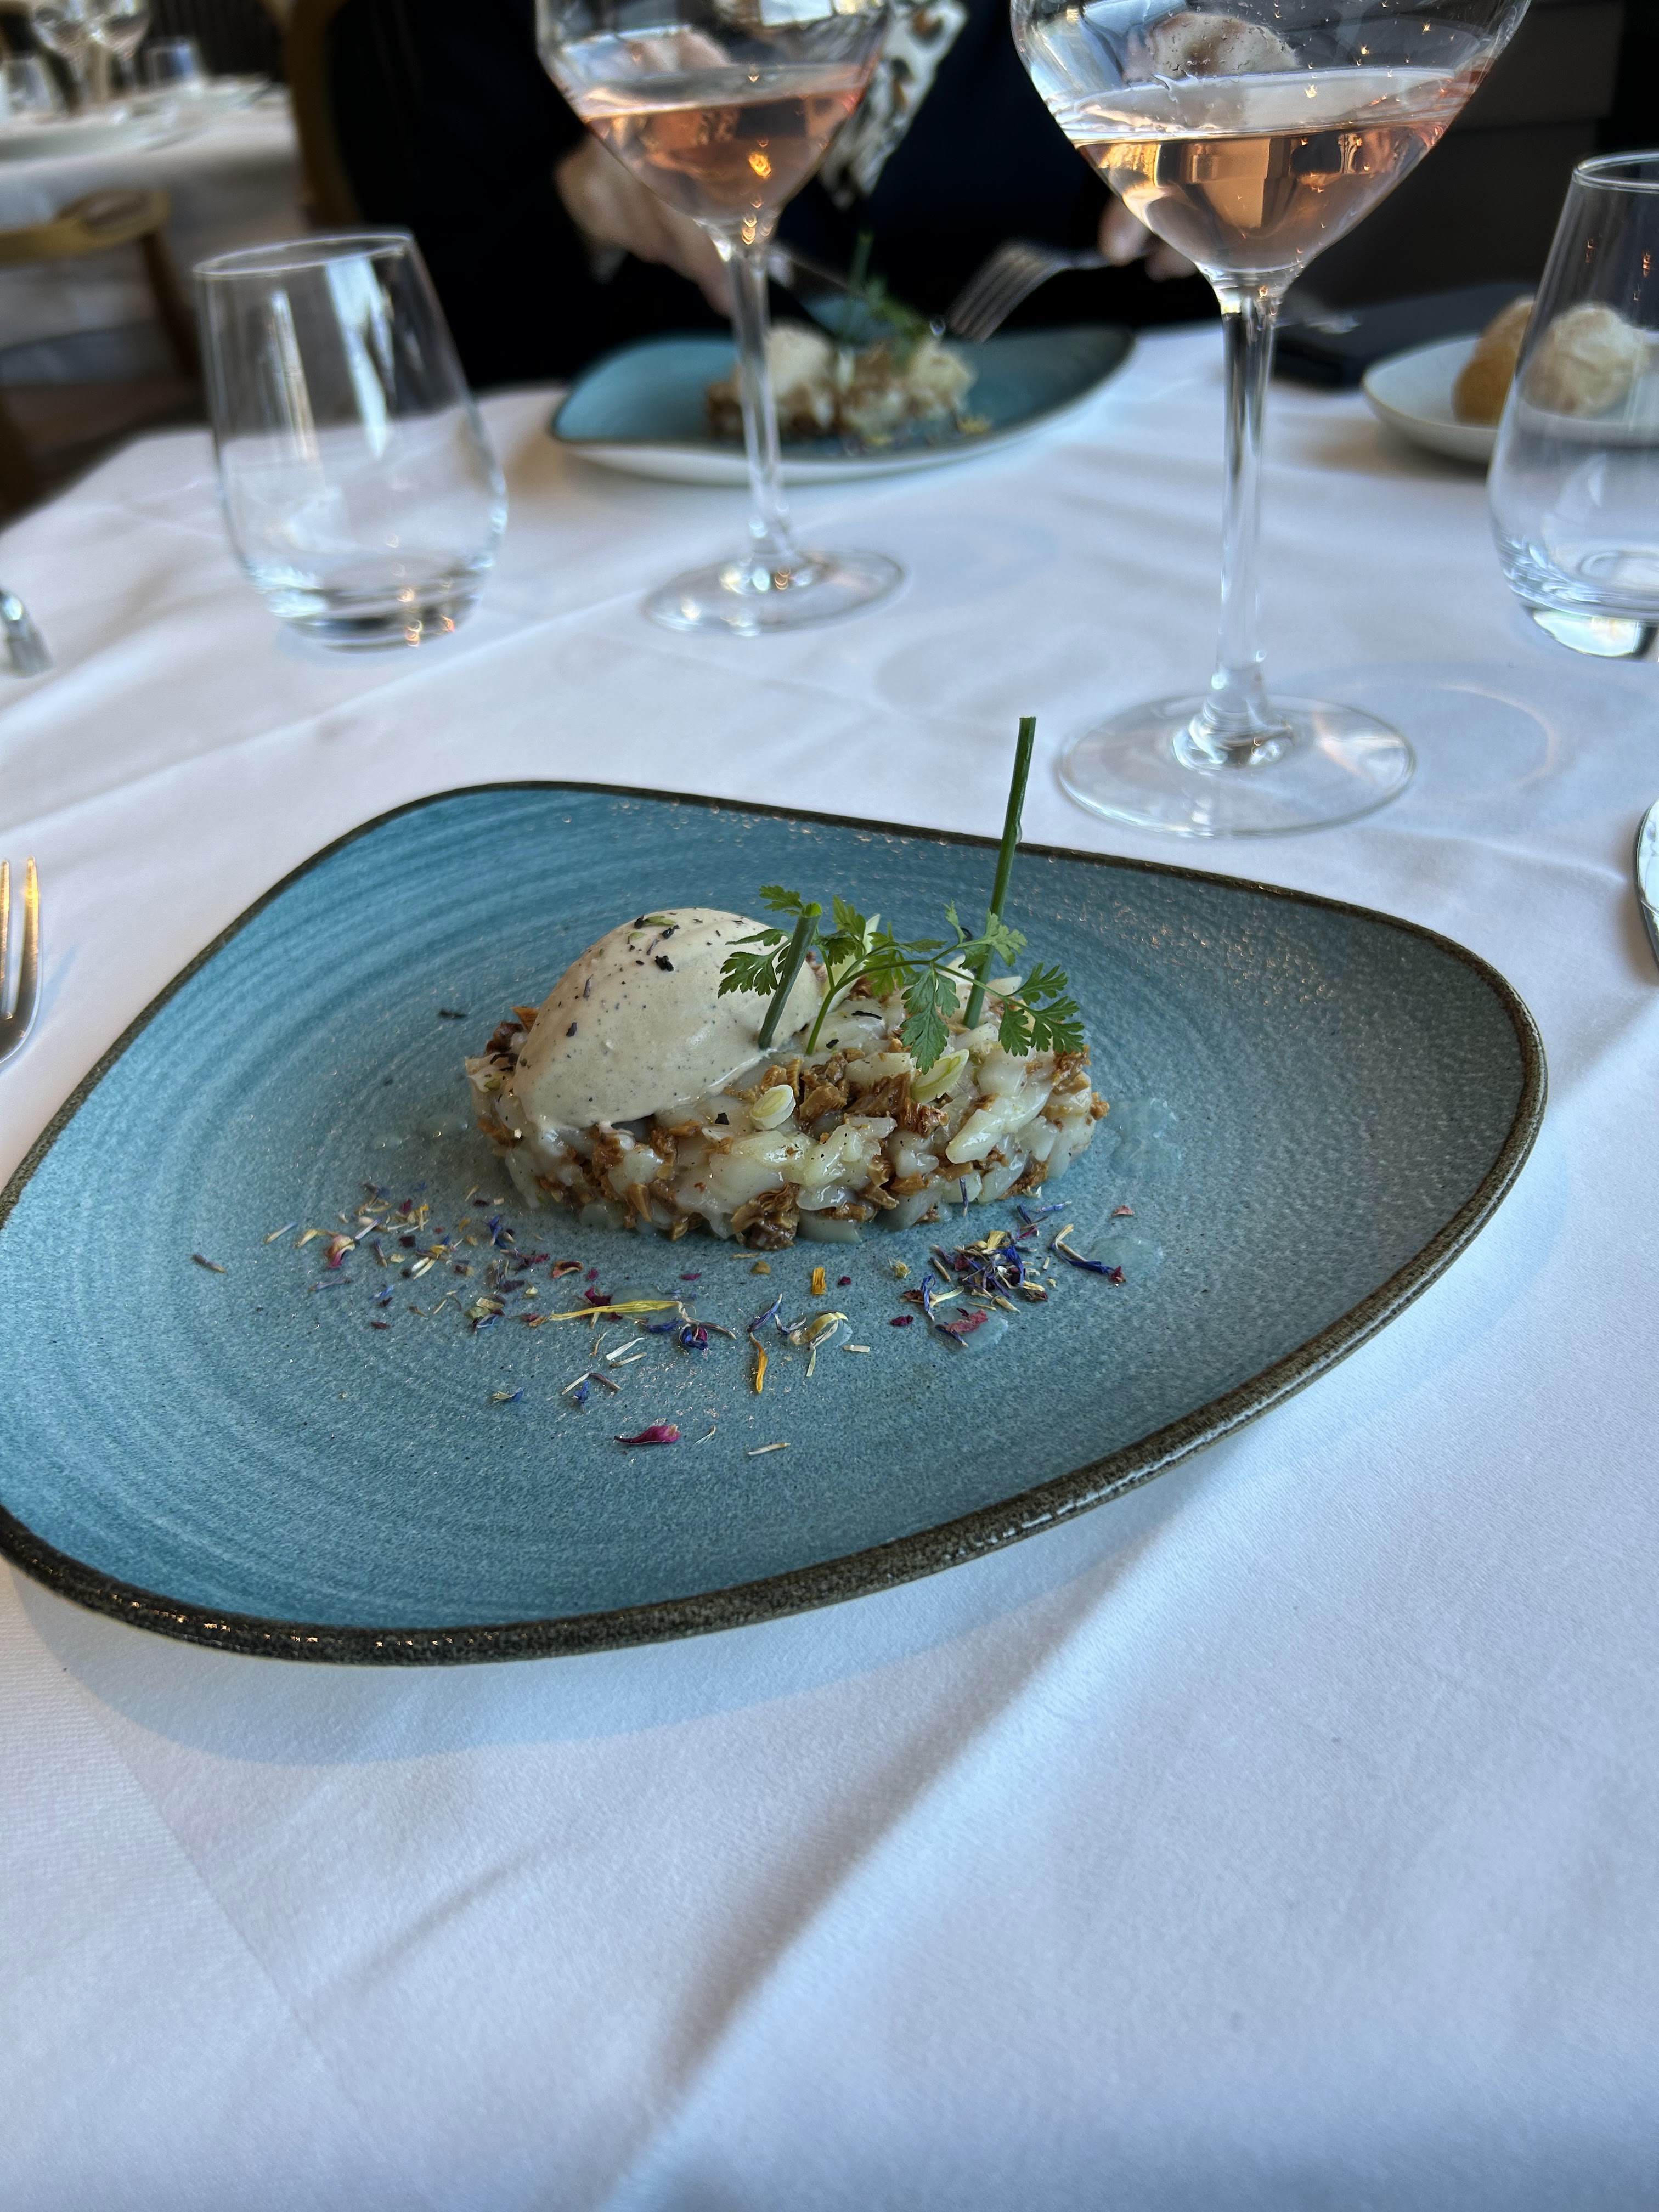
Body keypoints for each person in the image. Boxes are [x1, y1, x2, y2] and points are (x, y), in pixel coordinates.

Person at [330, 0, 1207, 390]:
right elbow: (427, 349)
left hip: (1108, 461)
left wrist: (1230, 193)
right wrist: (580, 209)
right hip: (660, 535)